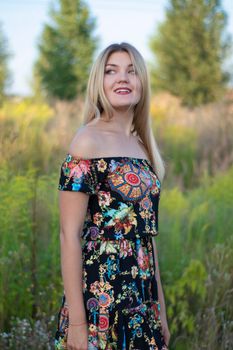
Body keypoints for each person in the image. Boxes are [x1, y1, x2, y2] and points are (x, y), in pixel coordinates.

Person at [54, 42, 170, 350]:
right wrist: (78, 323)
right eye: (111, 71)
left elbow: (148, 235)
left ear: (142, 82)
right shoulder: (86, 141)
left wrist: (161, 311)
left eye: (132, 71)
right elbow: (68, 235)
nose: (123, 78)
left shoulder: (142, 146)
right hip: (99, 297)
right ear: (99, 82)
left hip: (142, 300)